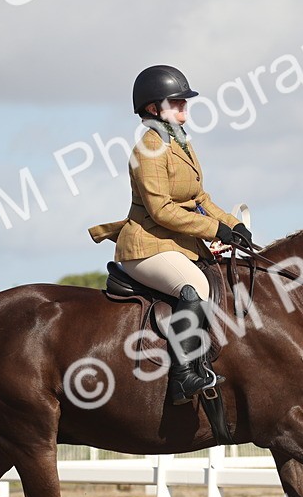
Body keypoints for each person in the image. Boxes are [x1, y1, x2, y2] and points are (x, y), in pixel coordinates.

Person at [89, 65, 255, 405]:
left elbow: (200, 199)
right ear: (153, 109)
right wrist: (214, 229)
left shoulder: (181, 144)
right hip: (146, 247)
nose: (185, 108)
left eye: (184, 102)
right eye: (177, 103)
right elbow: (161, 210)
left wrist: (232, 225)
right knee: (196, 290)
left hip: (175, 244)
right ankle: (183, 377)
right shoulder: (146, 150)